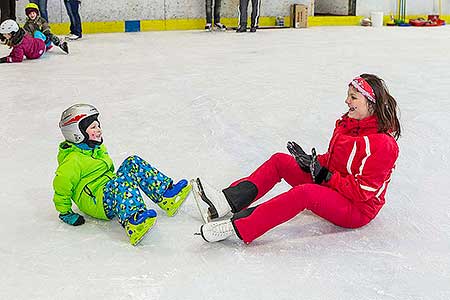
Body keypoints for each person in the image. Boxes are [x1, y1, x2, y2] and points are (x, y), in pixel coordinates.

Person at [193, 74, 401, 244]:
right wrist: (313, 163)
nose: (347, 101)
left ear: (371, 105)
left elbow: (363, 192)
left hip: (356, 209)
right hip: (335, 187)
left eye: (354, 97)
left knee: (305, 194)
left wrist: (326, 176)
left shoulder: (383, 145)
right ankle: (222, 203)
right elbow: (333, 160)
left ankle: (238, 226)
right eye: (348, 95)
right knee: (280, 161)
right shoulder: (347, 125)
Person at [53, 104, 192, 246]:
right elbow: (61, 187)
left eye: (98, 126)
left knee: (132, 162)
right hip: (96, 201)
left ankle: (166, 196)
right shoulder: (72, 161)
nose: (99, 130)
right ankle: (134, 222)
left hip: (108, 189)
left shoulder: (95, 148)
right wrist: (65, 213)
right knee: (119, 182)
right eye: (93, 127)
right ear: (77, 133)